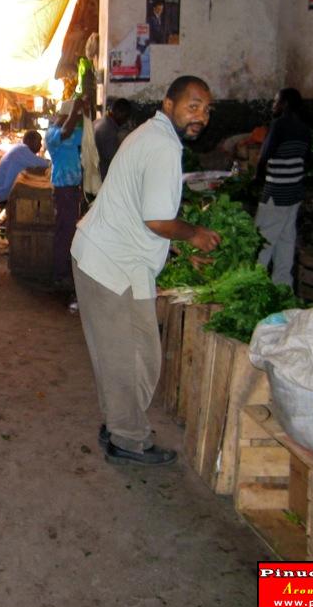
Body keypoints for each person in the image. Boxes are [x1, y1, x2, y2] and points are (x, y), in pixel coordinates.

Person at [71, 75, 221, 467]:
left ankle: (119, 423)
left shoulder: (153, 136)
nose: (201, 116)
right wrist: (195, 236)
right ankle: (127, 439)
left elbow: (141, 212)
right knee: (126, 357)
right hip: (109, 263)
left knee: (138, 355)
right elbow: (157, 219)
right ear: (168, 105)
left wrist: (174, 251)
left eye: (206, 109)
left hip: (125, 261)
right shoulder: (161, 146)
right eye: (193, 106)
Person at [254, 88, 311, 287]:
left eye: (276, 101)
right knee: (286, 240)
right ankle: (283, 286)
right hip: (294, 193)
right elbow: (306, 160)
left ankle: (254, 284)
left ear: (285, 104)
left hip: (276, 193)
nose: (274, 105)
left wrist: (256, 177)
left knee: (262, 241)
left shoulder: (279, 125)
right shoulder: (304, 128)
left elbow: (264, 156)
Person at [45, 97, 85, 288]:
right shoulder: (52, 134)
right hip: (63, 188)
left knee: (68, 230)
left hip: (73, 188)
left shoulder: (75, 131)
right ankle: (59, 274)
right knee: (65, 231)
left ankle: (62, 270)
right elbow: (66, 131)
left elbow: (83, 135)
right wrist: (76, 109)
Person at [0, 130, 49, 202]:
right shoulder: (22, 150)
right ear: (29, 141)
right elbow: (43, 163)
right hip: (4, 192)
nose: (40, 145)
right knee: (40, 195)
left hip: (2, 189)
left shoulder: (20, 149)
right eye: (39, 142)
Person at [93, 98, 133, 181]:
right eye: (126, 116)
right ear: (119, 113)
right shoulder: (109, 131)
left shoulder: (98, 122)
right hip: (100, 178)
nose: (126, 121)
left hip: (93, 175)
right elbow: (113, 159)